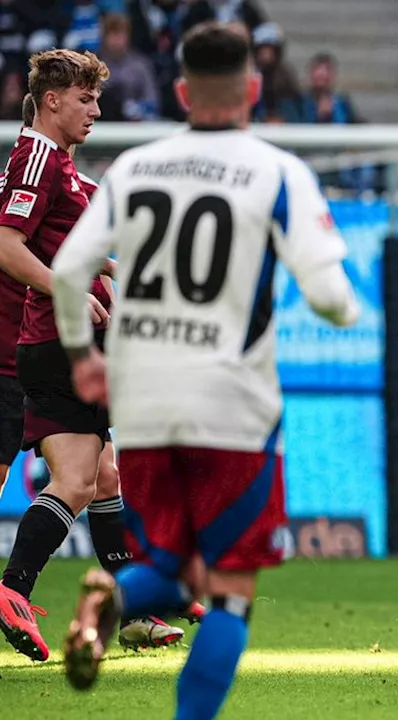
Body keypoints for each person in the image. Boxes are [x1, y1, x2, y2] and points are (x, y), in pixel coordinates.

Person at [51, 22, 360, 715]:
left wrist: (83, 359)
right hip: (231, 408)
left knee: (172, 563)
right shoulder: (279, 171)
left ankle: (115, 595)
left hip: (144, 404)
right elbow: (335, 302)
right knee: (228, 591)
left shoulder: (133, 167)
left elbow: (70, 270)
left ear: (184, 91)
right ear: (252, 89)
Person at [0, 51, 189, 662]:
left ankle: (130, 612)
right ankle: (13, 592)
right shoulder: (36, 156)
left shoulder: (59, 165)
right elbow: (5, 245)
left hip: (52, 340)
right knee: (81, 478)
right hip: (56, 340)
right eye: (85, 99)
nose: (96, 111)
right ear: (51, 99)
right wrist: (71, 289)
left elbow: (64, 245)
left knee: (101, 476)